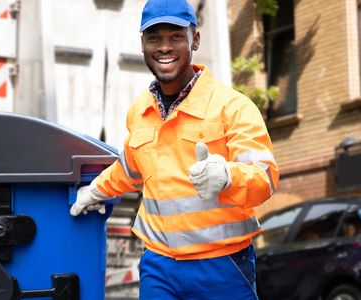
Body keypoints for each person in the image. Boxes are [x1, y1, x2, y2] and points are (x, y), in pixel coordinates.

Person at [69, 0, 279, 299]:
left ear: (195, 39)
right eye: (154, 37)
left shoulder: (232, 106)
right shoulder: (140, 111)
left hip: (222, 265)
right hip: (159, 265)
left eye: (175, 36)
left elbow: (265, 179)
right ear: (142, 44)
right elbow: (129, 167)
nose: (164, 46)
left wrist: (227, 176)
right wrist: (94, 191)